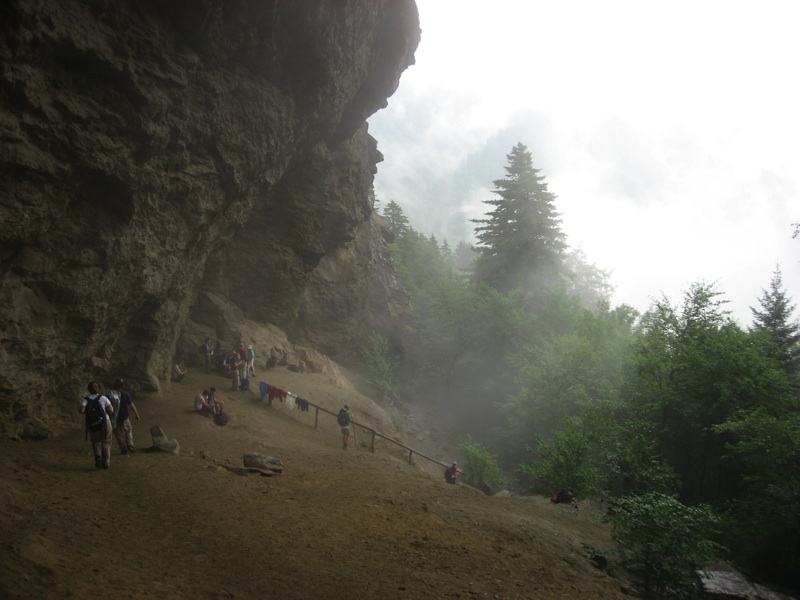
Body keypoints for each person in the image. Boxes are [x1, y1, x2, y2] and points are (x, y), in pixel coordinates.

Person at [79, 381, 114, 469]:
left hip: (93, 424)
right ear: (97, 388)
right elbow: (111, 410)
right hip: (104, 422)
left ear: (89, 389)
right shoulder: (103, 398)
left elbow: (82, 411)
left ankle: (98, 456)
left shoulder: (86, 400)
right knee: (106, 442)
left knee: (95, 442)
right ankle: (106, 463)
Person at [111, 378, 140, 455]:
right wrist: (136, 414)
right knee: (129, 430)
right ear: (122, 386)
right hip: (125, 417)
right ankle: (130, 445)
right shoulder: (125, 394)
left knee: (119, 434)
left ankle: (123, 449)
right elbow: (131, 405)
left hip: (115, 418)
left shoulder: (111, 395)